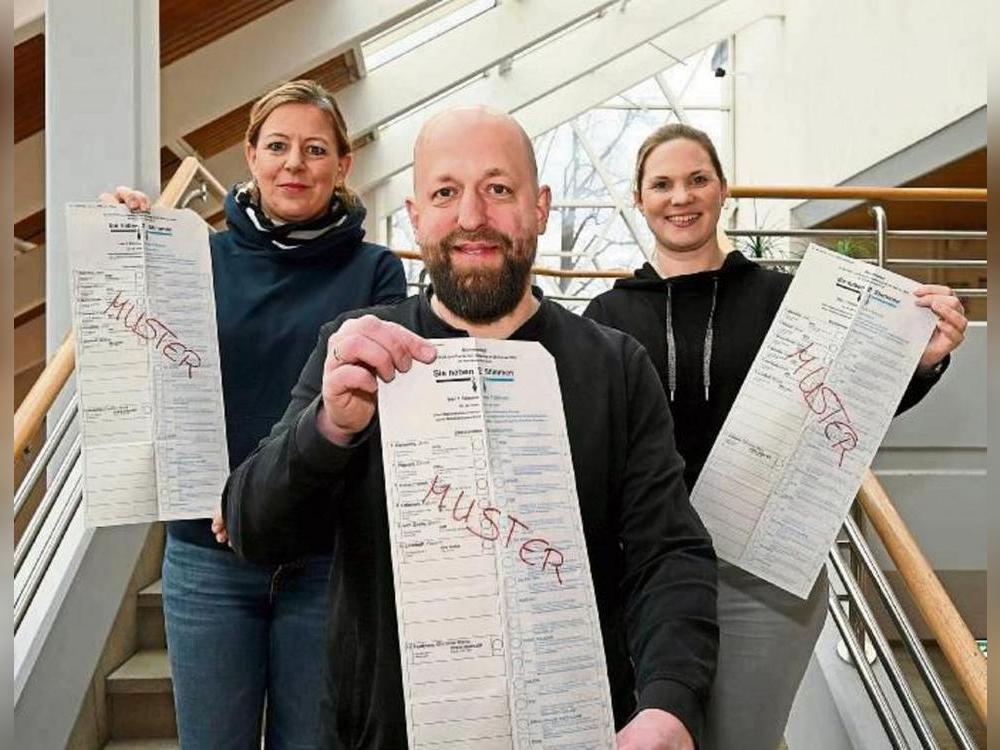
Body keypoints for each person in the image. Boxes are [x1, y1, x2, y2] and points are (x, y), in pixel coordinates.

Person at [223, 106, 719, 750]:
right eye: (446, 192)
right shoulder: (354, 352)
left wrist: (668, 705)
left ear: (540, 208)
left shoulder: (615, 365)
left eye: (498, 189)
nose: (472, 218)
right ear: (415, 215)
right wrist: (327, 429)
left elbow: (667, 552)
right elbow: (254, 529)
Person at [583, 122, 968, 750]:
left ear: (723, 190)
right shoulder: (605, 318)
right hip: (643, 574)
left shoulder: (788, 301)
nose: (680, 197)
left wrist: (922, 360)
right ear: (639, 199)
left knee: (742, 740)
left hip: (761, 578)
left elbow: (849, 408)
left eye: (697, 179)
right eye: (662, 184)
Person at [102, 80, 407, 749]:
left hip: (322, 562)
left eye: (314, 148)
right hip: (206, 558)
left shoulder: (378, 273)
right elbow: (138, 361)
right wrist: (126, 242)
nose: (294, 163)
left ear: (343, 164)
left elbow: (366, 415)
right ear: (250, 154)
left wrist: (258, 498)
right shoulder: (194, 259)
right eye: (278, 146)